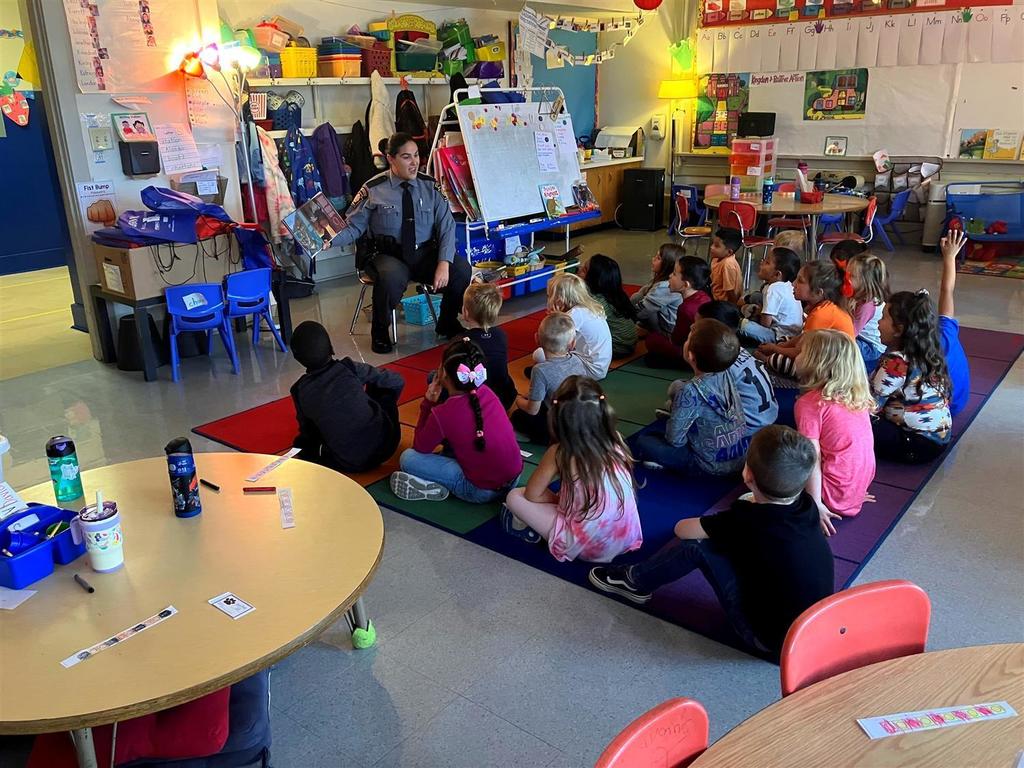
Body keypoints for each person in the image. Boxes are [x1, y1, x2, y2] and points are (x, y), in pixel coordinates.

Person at [589, 425, 834, 659]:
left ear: (747, 474)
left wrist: (732, 514)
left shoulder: (746, 519)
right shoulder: (808, 506)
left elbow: (683, 530)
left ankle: (634, 581)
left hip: (770, 641)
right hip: (813, 632)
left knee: (696, 547)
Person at [332, 132, 470, 353]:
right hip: (387, 255)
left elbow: (447, 226)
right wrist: (327, 241)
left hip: (423, 252)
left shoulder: (430, 186)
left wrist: (444, 262)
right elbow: (353, 226)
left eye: (416, 156)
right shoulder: (373, 189)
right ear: (390, 158)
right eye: (406, 157)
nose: (414, 162)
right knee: (391, 277)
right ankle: (379, 331)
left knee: (461, 270)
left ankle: (447, 321)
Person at [503, 376, 643, 563]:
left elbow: (532, 495)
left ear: (557, 417)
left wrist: (556, 501)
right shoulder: (615, 439)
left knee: (514, 497)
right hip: (625, 536)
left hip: (588, 548)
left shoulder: (560, 451)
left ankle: (547, 533)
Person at [392, 339, 523, 502]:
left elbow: (420, 447)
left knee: (408, 458)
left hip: (479, 491)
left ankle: (435, 486)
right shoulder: (487, 391)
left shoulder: (443, 413)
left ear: (443, 373)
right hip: (513, 479)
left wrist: (428, 403)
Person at [634, 318, 746, 476]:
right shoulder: (725, 372)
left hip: (707, 465)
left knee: (644, 441)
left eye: (687, 339)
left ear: (691, 355)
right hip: (738, 456)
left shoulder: (690, 391)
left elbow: (675, 440)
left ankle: (669, 465)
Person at [289, 321, 404, 473]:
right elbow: (396, 381)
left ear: (297, 357)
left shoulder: (299, 389)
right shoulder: (349, 367)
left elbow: (307, 430)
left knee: (303, 444)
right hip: (387, 446)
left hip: (350, 463)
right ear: (331, 348)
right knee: (382, 386)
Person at [794, 330, 876, 535]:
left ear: (817, 363)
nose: (796, 354)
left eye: (802, 351)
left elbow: (810, 456)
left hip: (830, 496)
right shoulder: (855, 396)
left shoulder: (810, 404)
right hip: (853, 489)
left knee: (775, 454)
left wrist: (815, 504)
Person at [871, 290, 952, 464]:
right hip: (937, 441)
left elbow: (869, 405)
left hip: (914, 444)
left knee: (845, 422)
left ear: (898, 330)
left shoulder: (897, 362)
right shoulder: (927, 353)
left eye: (884, 317)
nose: (878, 322)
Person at [755, 261, 855, 380]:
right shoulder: (823, 307)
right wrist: (783, 345)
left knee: (779, 360)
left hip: (832, 370)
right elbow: (803, 337)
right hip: (820, 353)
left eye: (800, 281)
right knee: (785, 339)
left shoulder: (821, 315)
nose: (793, 284)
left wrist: (775, 349)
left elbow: (801, 353)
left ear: (818, 292)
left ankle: (766, 360)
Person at [694, 301, 778, 436]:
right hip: (769, 416)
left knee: (681, 391)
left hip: (748, 427)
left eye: (696, 326)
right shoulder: (738, 349)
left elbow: (704, 396)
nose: (692, 328)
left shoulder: (719, 361)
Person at [512, 313, 587, 444]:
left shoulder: (540, 370)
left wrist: (518, 400)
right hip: (582, 421)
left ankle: (541, 438)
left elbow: (532, 409)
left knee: (517, 416)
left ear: (537, 339)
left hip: (559, 428)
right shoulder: (577, 360)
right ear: (573, 343)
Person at [534, 273, 612, 379]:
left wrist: (553, 317)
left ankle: (551, 374)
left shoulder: (575, 314)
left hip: (589, 369)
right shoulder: (588, 308)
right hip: (600, 367)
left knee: (540, 354)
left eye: (549, 296)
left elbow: (551, 339)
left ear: (559, 300)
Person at [644, 256, 712, 369]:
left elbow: (677, 340)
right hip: (706, 347)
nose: (670, 276)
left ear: (686, 285)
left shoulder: (685, 308)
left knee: (652, 339)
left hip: (692, 351)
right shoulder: (704, 296)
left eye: (674, 274)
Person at [459, 283, 516, 410]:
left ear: (465, 312)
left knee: (432, 377)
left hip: (475, 401)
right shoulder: (501, 335)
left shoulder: (461, 341)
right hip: (504, 398)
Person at [738, 246, 804, 344]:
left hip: (779, 336)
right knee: (757, 296)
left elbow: (765, 324)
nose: (761, 262)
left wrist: (757, 316)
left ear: (777, 274)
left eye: (767, 262)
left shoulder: (774, 289)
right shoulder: (784, 284)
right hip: (791, 331)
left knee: (743, 325)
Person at [937, 229, 971, 416]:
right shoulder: (945, 331)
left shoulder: (910, 356)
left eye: (885, 317)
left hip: (943, 411)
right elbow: (946, 291)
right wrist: (949, 257)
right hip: (958, 404)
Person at [582, 254, 637, 357]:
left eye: (584, 270)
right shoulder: (615, 294)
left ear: (593, 278)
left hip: (616, 347)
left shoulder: (596, 301)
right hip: (628, 343)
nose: (579, 270)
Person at [846, 252, 889, 372]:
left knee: (838, 347)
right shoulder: (859, 296)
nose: (846, 279)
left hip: (871, 347)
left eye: (852, 276)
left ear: (866, 282)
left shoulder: (867, 305)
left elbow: (850, 333)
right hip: (861, 337)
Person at [632, 242, 684, 335]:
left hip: (668, 330)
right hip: (662, 318)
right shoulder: (662, 279)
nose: (653, 259)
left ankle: (652, 332)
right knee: (637, 297)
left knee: (638, 301)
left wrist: (626, 314)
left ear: (668, 265)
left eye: (658, 258)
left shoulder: (665, 286)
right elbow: (644, 290)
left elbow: (644, 310)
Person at [710, 228, 744, 304]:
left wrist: (732, 307)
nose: (711, 247)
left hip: (724, 303)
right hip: (715, 295)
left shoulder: (727, 265)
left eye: (716, 246)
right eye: (712, 244)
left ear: (729, 252)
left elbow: (730, 291)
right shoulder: (716, 258)